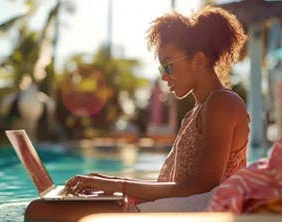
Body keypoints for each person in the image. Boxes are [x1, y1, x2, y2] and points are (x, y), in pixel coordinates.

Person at [63, 5, 249, 212]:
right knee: (57, 207)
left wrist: (118, 186)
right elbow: (176, 185)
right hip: (186, 206)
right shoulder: (196, 112)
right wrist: (109, 183)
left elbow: (202, 186)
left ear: (199, 60)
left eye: (168, 65)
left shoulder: (222, 103)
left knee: (45, 211)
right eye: (162, 68)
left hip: (206, 211)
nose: (163, 76)